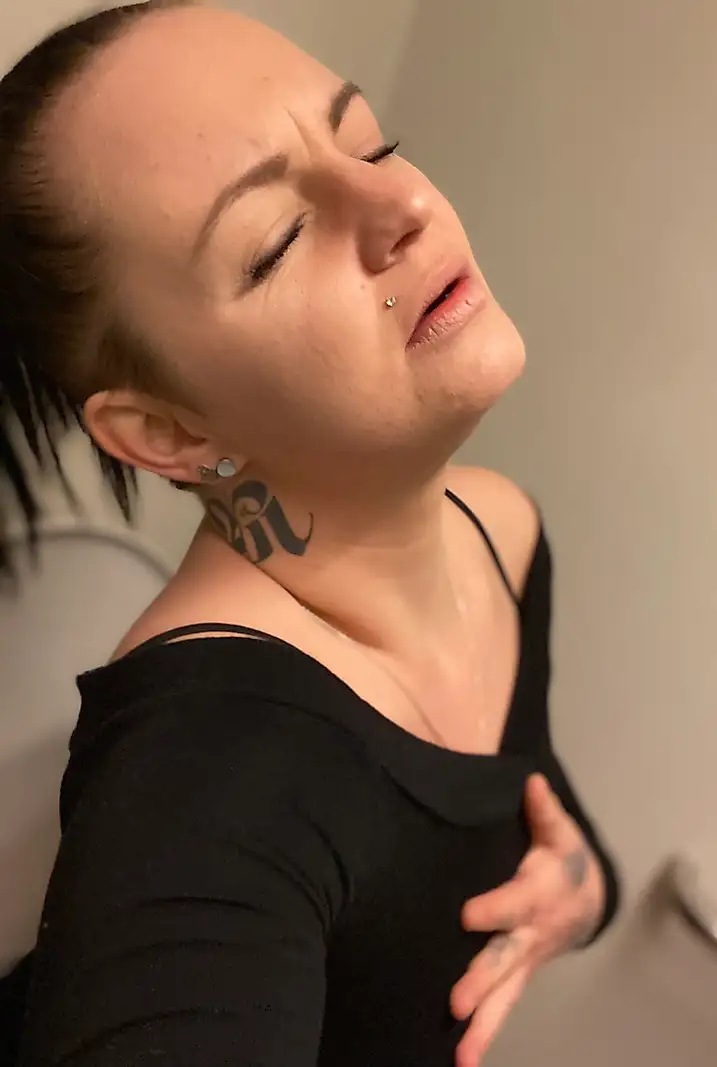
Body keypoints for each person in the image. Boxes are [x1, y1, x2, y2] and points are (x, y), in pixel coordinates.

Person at [0, 2, 621, 1064]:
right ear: (167, 431)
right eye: (277, 241)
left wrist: (584, 886)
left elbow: (527, 808)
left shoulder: (503, 531)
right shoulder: (203, 771)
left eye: (371, 143)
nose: (404, 201)